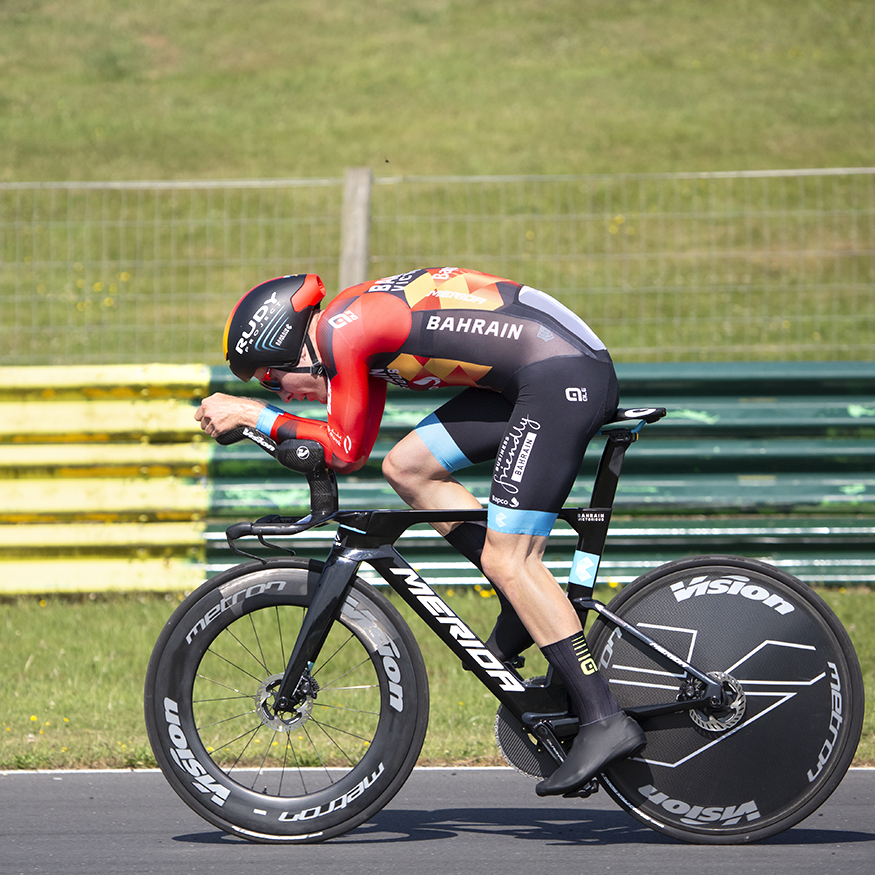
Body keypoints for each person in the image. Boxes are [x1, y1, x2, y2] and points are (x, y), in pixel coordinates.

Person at [195, 267, 645, 796]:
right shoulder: (352, 334)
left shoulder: (344, 331)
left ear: (287, 348)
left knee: (512, 558)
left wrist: (252, 413)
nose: (284, 396)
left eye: (273, 380)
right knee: (408, 468)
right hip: (541, 372)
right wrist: (266, 417)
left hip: (558, 375)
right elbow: (356, 450)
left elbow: (339, 451)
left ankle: (603, 718)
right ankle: (518, 602)